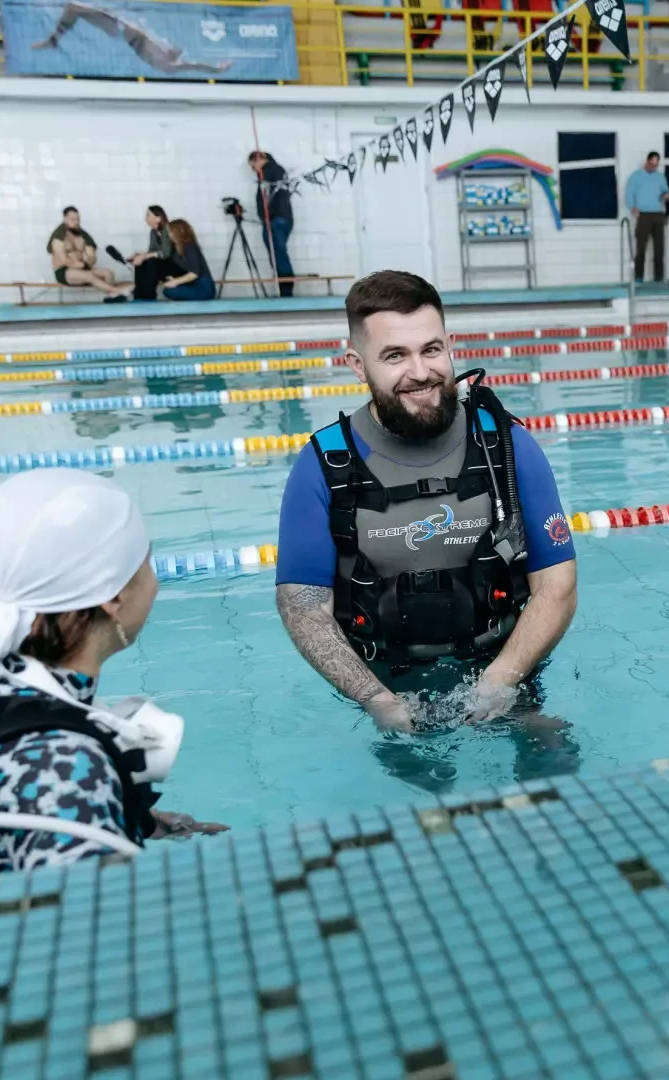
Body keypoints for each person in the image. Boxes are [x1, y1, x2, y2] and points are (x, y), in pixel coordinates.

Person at [274, 270, 579, 732]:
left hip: (507, 669)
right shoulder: (323, 465)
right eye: (395, 355)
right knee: (422, 797)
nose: (420, 373)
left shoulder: (508, 446)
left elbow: (557, 586)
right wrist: (376, 701)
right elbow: (303, 609)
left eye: (431, 349)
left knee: (553, 756)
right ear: (358, 365)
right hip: (387, 686)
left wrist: (501, 679)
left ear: (450, 345)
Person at [0, 469, 223, 872]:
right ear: (115, 597)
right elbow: (89, 924)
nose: (154, 584)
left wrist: (132, 819)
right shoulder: (66, 774)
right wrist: (86, 813)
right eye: (147, 564)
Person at [33, 2, 231, 73]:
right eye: (174, 47)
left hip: (122, 31)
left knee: (74, 8)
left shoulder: (169, 66)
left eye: (175, 50)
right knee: (73, 8)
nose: (172, 48)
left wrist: (217, 69)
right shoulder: (160, 46)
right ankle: (54, 39)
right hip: (124, 26)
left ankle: (53, 41)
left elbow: (196, 65)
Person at [47, 207, 128, 299]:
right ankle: (118, 291)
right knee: (90, 275)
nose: (76, 222)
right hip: (64, 271)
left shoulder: (84, 235)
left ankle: (111, 296)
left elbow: (92, 257)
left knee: (108, 273)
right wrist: (78, 264)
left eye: (78, 219)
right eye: (73, 219)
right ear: (65, 218)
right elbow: (64, 260)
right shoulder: (58, 237)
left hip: (83, 268)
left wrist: (89, 260)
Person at [249, 151, 297, 296]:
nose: (254, 170)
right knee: (278, 253)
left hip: (276, 219)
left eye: (253, 166)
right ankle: (284, 287)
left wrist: (268, 216)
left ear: (258, 160)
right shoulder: (277, 170)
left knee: (278, 254)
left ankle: (286, 288)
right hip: (281, 218)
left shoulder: (268, 171)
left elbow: (269, 197)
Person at [625, 151, 669, 283]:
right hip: (643, 215)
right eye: (652, 164)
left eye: (656, 165)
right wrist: (633, 207)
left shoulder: (660, 177)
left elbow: (667, 192)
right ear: (647, 161)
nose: (653, 167)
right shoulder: (636, 177)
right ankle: (639, 277)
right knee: (641, 248)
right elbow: (629, 194)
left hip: (658, 214)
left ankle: (659, 278)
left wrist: (666, 196)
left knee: (659, 249)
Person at [129, 204, 180, 301]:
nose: (145, 218)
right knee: (142, 263)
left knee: (151, 263)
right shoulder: (153, 232)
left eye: (148, 215)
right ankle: (139, 297)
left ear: (158, 218)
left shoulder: (168, 229)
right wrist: (140, 255)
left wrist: (145, 256)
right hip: (162, 265)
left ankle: (149, 297)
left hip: (174, 265)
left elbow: (166, 253)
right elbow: (151, 251)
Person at [159, 218, 216, 301]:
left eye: (171, 232)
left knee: (169, 291)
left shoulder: (190, 246)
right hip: (194, 284)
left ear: (178, 232)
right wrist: (174, 279)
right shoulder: (178, 248)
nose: (169, 234)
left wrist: (176, 281)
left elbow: (194, 273)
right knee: (168, 290)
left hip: (204, 288)